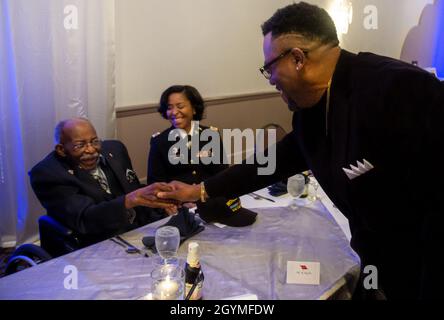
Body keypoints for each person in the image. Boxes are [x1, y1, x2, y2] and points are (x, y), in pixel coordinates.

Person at [157, 2, 444, 299]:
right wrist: (200, 190)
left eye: (269, 68)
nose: (269, 79)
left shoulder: (400, 88)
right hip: (375, 261)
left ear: (297, 58)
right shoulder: (309, 110)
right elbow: (273, 161)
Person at [29, 118, 178, 247]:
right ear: (61, 149)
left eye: (94, 141)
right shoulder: (48, 174)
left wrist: (165, 199)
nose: (91, 149)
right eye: (80, 145)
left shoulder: (115, 149)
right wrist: (129, 200)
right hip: (96, 241)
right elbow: (85, 219)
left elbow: (133, 189)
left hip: (137, 231)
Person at [148, 85, 257, 227]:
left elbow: (222, 174)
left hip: (212, 203)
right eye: (169, 107)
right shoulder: (159, 142)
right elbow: (156, 185)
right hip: (181, 211)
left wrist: (204, 197)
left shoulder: (210, 136)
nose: (174, 112)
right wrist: (176, 203)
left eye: (180, 106)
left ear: (194, 108)